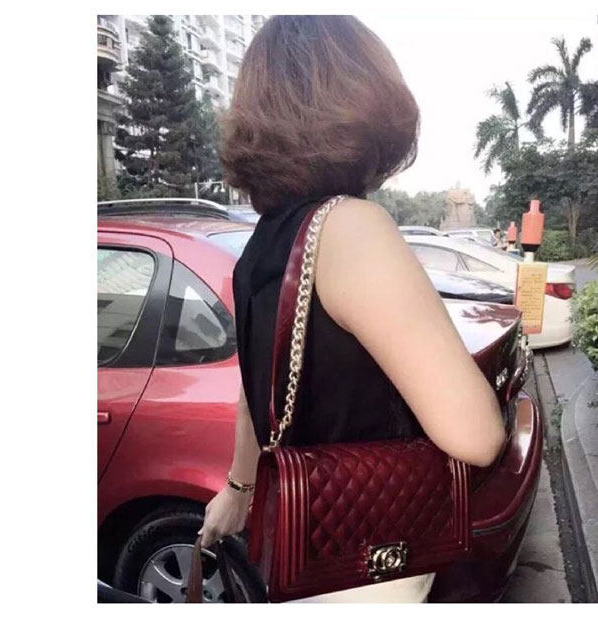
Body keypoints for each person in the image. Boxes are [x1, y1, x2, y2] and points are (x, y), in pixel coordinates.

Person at [198, 15, 505, 603]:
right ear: (365, 100)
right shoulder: (351, 228)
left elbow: (255, 389)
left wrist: (237, 489)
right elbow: (477, 436)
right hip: (372, 563)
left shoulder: (264, 242)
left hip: (302, 557)